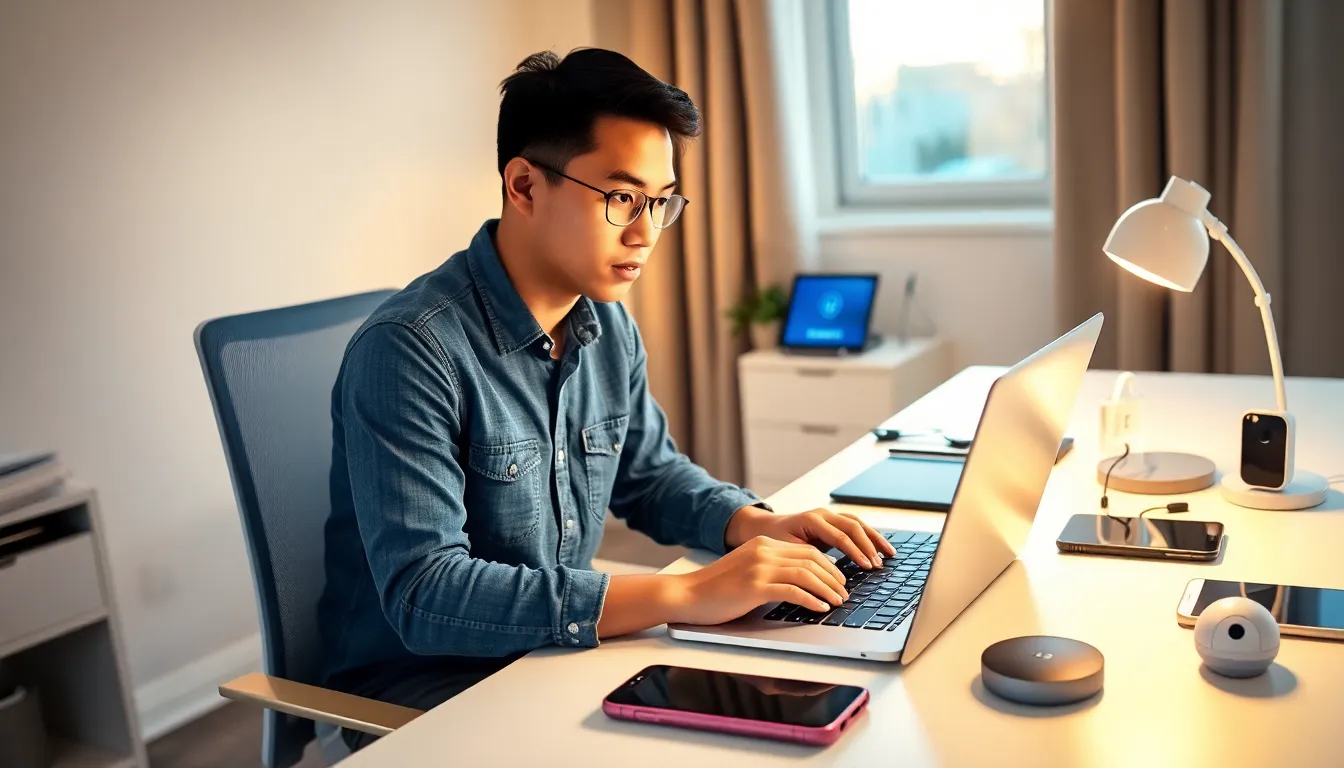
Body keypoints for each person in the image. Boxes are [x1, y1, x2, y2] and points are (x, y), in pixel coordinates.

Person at [317, 47, 894, 752]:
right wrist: (683, 595)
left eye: (660, 202)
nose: (646, 233)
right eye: (621, 198)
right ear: (524, 186)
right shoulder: (411, 351)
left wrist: (753, 525)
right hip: (430, 690)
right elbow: (427, 596)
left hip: (551, 653)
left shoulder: (604, 321)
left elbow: (648, 474)